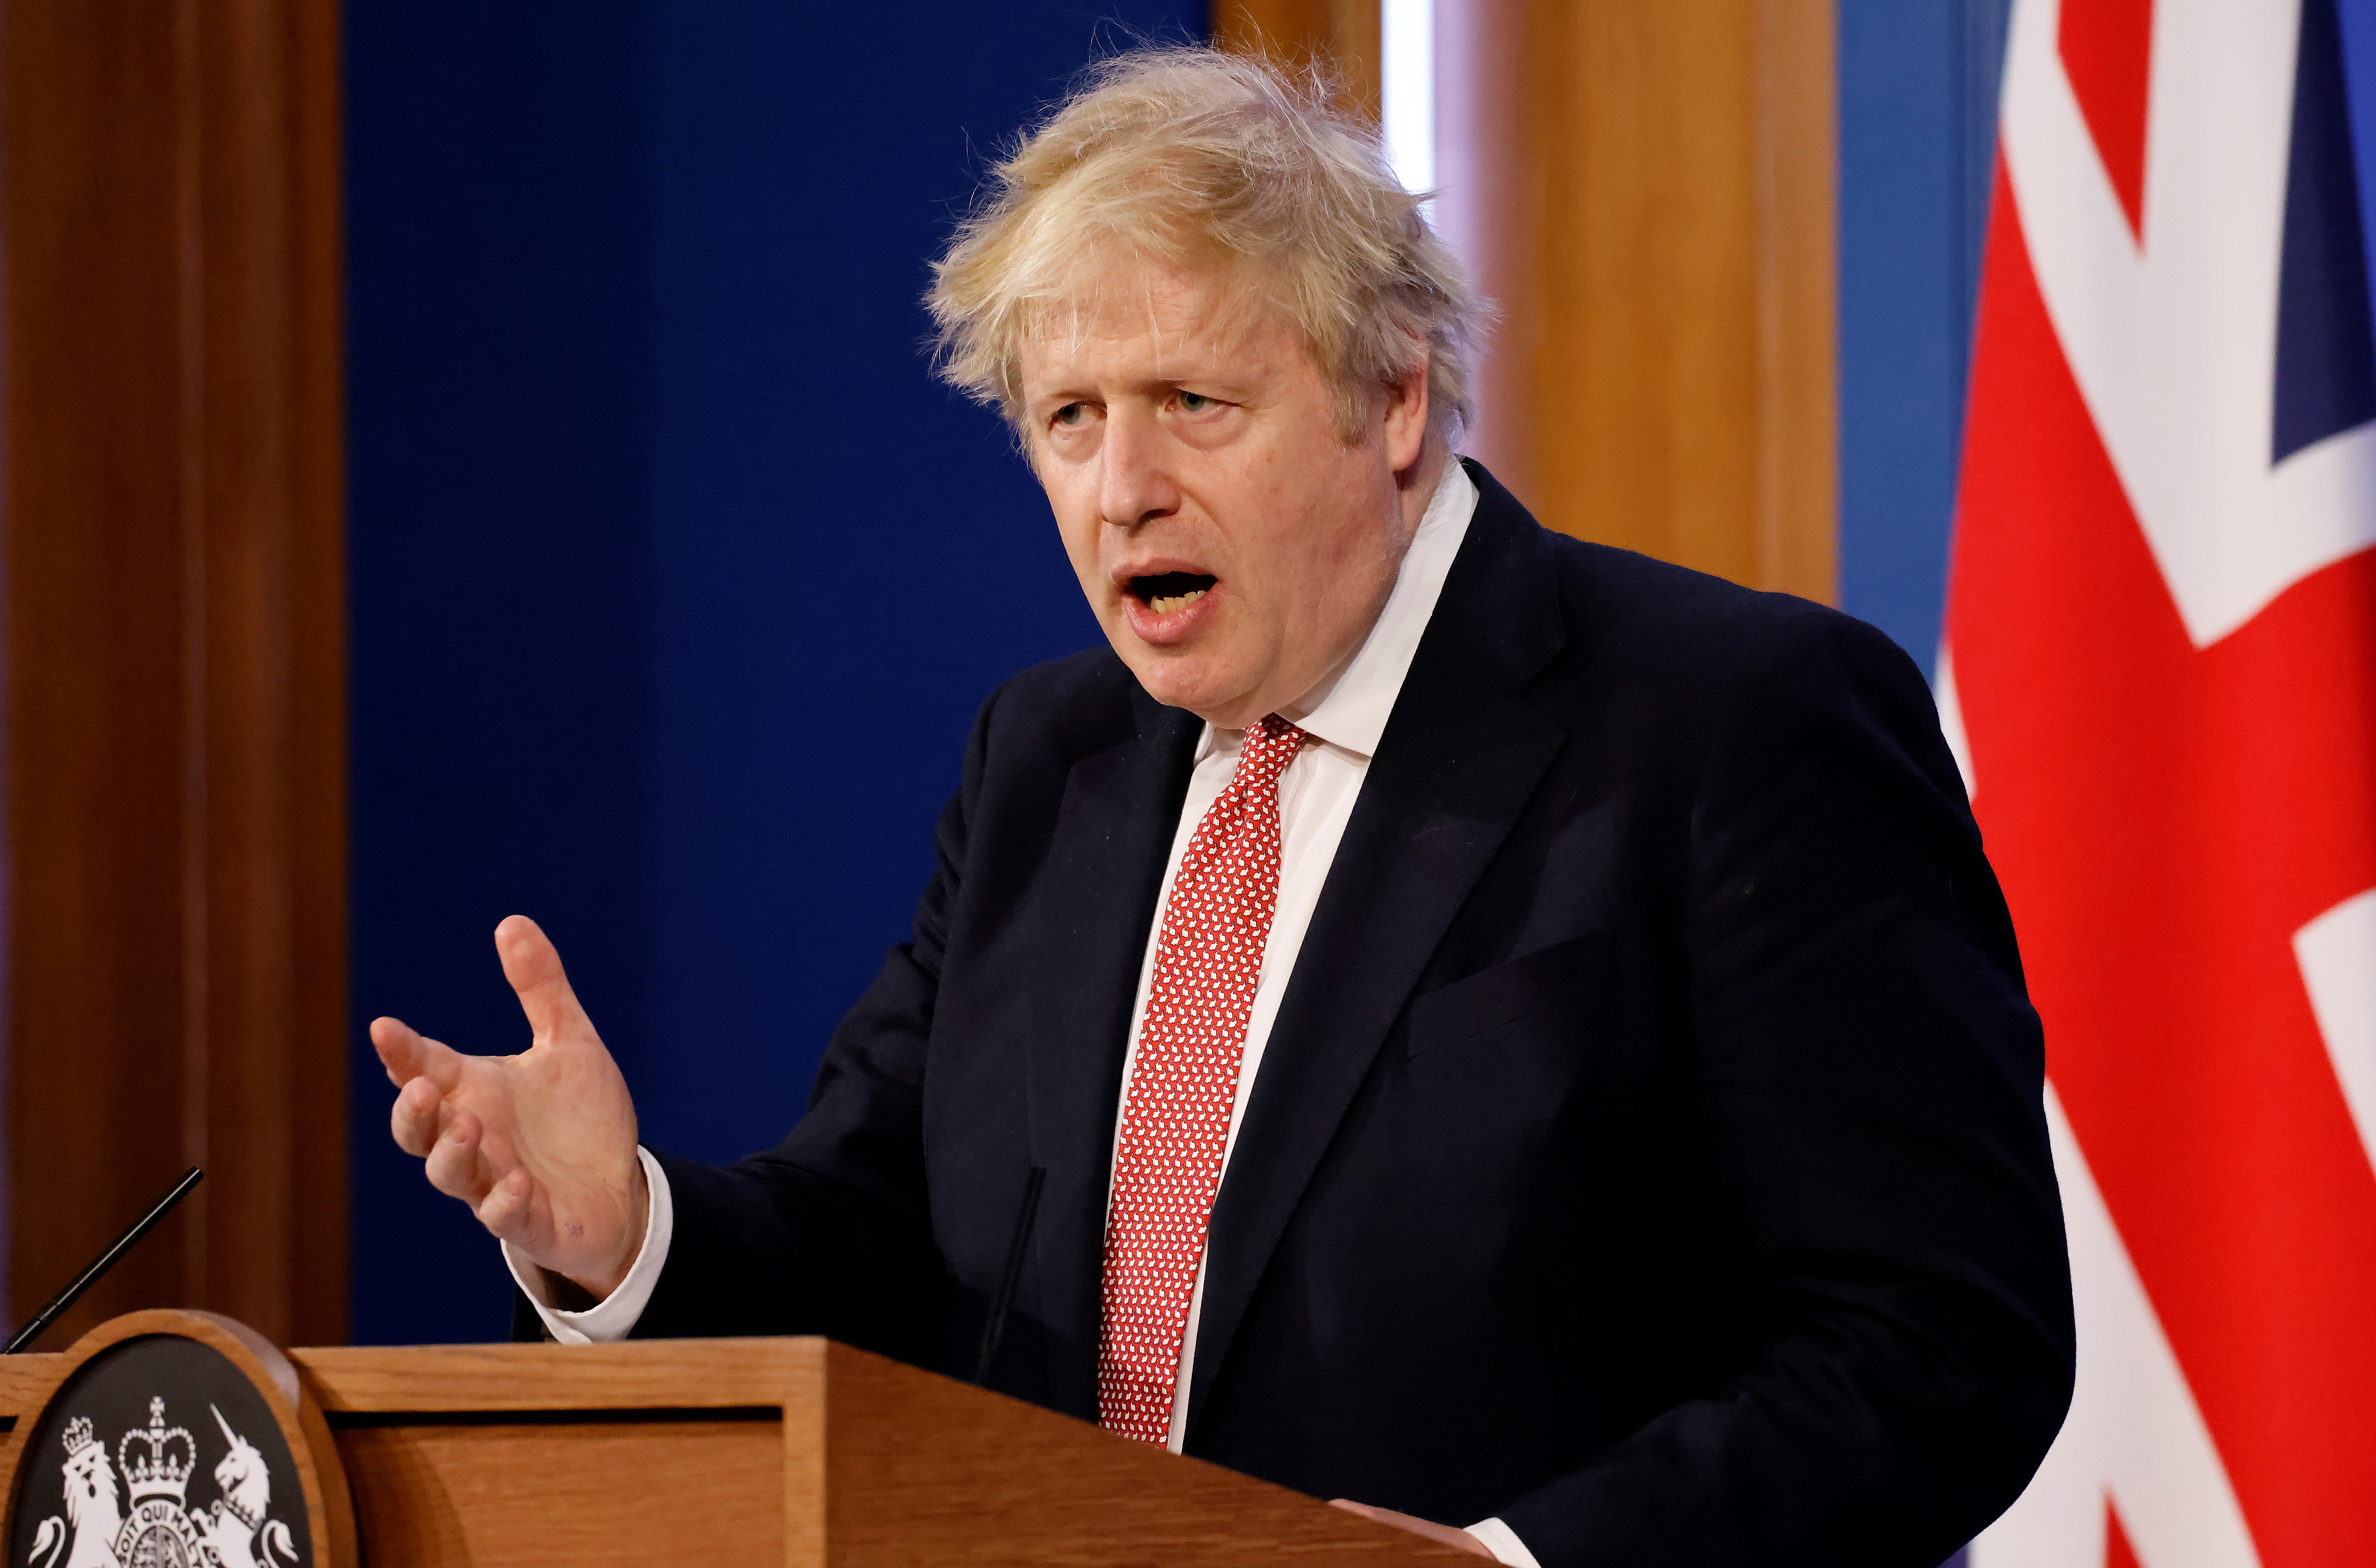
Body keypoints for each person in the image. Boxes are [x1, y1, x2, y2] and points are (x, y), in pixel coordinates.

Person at [371, 46, 2074, 1568]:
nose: (1125, 490)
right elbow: (883, 1235)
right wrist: (626, 1234)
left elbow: (1940, 1340)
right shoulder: (1048, 763)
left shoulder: (1733, 725)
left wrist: (1513, 1566)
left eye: (1194, 403)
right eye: (1070, 419)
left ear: (1393, 400)